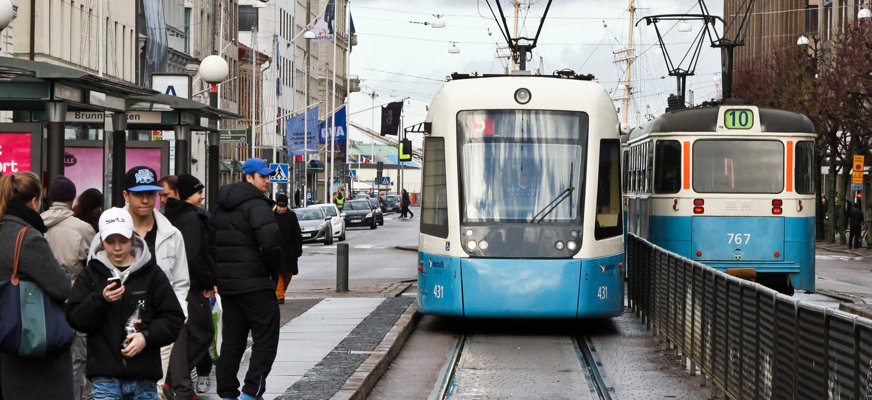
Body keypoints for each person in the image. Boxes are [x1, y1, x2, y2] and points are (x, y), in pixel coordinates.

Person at [66, 207, 185, 400]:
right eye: (110, 241)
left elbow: (173, 318)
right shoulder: (92, 274)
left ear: (132, 239)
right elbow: (75, 317)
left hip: (144, 377)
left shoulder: (152, 273)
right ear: (101, 241)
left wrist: (146, 337)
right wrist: (100, 300)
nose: (117, 248)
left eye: (123, 240)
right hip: (105, 378)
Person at [212, 158, 282, 400]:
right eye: (262, 176)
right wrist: (270, 273)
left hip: (229, 287)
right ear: (247, 177)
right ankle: (252, 392)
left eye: (267, 175)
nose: (267, 180)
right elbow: (272, 245)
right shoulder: (257, 206)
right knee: (266, 336)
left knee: (232, 340)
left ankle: (227, 393)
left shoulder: (221, 206)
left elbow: (213, 244)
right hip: (256, 284)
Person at [0, 172, 74, 400]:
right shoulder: (27, 238)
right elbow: (61, 287)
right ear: (34, 201)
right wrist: (63, 270)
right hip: (31, 347)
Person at [122, 166, 190, 395]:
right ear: (125, 196)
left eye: (150, 193)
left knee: (154, 390)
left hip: (158, 326)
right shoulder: (109, 233)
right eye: (138, 194)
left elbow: (181, 281)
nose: (145, 200)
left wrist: (177, 313)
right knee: (117, 389)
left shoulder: (171, 234)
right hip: (118, 326)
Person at [40, 176, 97, 400]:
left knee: (44, 354)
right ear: (72, 199)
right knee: (77, 358)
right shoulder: (83, 229)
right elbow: (93, 266)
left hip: (42, 301)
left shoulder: (35, 222)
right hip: (75, 301)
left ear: (49, 198)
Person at [163, 174, 217, 400]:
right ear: (185, 195)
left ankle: (177, 382)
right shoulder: (192, 219)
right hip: (193, 288)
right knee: (203, 334)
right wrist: (208, 281)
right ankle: (177, 381)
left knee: (185, 338)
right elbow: (194, 256)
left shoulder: (173, 216)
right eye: (198, 192)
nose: (202, 196)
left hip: (179, 286)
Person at [273, 193, 302, 305]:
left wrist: (298, 248)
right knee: (279, 273)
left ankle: (280, 293)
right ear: (277, 205)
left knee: (288, 274)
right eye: (280, 206)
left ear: (286, 206)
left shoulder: (292, 216)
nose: (281, 208)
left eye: (283, 206)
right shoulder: (272, 216)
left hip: (290, 251)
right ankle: (280, 295)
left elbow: (297, 233)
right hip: (277, 251)